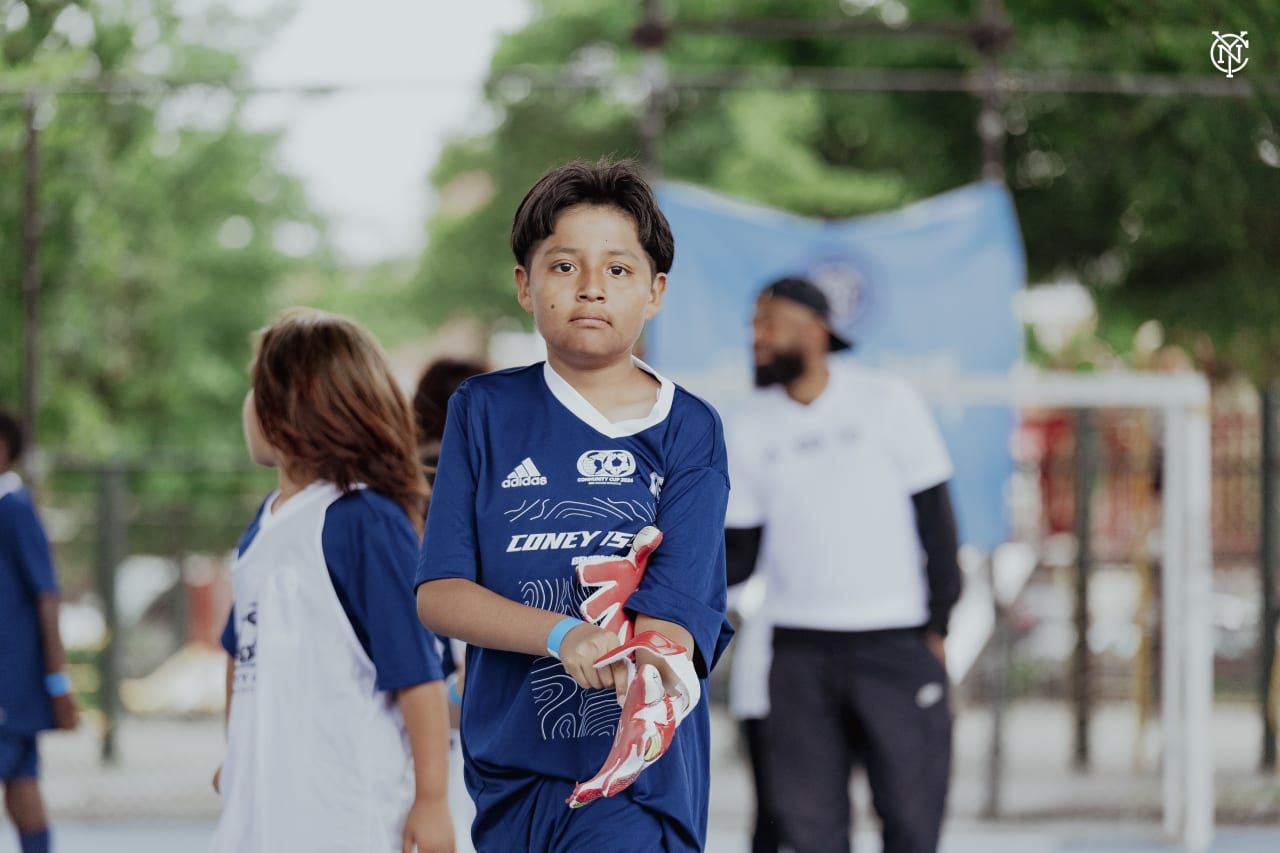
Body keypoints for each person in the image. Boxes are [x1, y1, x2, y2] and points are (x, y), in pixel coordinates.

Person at [415, 158, 733, 852]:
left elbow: (673, 624)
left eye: (618, 270)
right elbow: (440, 593)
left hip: (632, 779)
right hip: (508, 777)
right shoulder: (483, 411)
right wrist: (563, 635)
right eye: (564, 267)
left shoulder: (690, 428)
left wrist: (645, 649)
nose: (591, 288)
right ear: (525, 285)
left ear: (655, 291)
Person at [724, 276, 962, 853]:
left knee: (910, 823)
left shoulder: (887, 401)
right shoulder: (747, 427)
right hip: (799, 655)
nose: (757, 337)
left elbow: (938, 522)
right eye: (754, 324)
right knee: (810, 833)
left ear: (817, 329)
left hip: (896, 645)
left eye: (769, 323)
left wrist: (938, 626)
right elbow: (739, 558)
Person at [211, 309, 454, 853]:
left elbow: (419, 675)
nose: (247, 405)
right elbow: (238, 650)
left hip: (344, 814)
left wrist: (432, 799)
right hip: (265, 812)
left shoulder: (363, 520)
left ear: (291, 408)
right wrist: (236, 754)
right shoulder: (266, 523)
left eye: (256, 388)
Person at [0, 410, 78, 853]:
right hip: (12, 686)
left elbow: (47, 595)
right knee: (21, 781)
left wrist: (57, 680)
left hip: (9, 684)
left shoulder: (13, 509)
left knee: (20, 782)